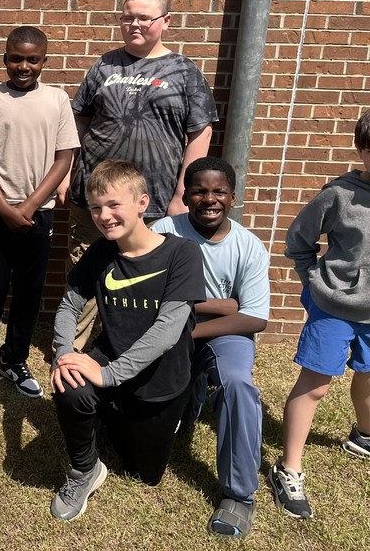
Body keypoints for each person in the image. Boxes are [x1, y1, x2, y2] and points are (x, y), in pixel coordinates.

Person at [49, 160, 204, 521]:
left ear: (142, 203)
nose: (104, 215)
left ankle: (169, 410)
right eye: (96, 207)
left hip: (161, 381)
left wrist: (110, 375)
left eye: (114, 205)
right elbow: (69, 305)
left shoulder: (182, 254)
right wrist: (64, 352)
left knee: (143, 474)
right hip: (113, 364)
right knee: (69, 384)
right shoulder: (102, 252)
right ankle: (85, 469)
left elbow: (168, 330)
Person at [66, 0, 217, 350]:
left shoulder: (184, 72)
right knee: (84, 268)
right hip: (94, 194)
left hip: (150, 199)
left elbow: (200, 131)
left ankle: (129, 346)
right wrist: (68, 172)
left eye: (144, 18)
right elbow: (79, 121)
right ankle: (73, 347)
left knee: (141, 275)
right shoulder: (104, 65)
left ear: (165, 22)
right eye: (127, 17)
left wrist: (183, 193)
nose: (134, 24)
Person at [152, 157, 269, 538]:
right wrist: (220, 302)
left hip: (224, 333)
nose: (209, 198)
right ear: (185, 196)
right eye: (199, 190)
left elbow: (252, 318)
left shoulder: (248, 246)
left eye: (219, 191)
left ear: (233, 198)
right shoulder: (164, 231)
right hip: (166, 326)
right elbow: (147, 293)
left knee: (236, 383)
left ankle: (239, 495)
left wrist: (189, 327)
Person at [0, 26, 78, 399]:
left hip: (38, 212)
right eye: (16, 58)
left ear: (45, 61)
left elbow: (64, 158)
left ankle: (13, 359)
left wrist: (28, 206)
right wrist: (3, 207)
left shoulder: (57, 100)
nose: (23, 66)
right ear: (5, 58)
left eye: (32, 59)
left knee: (29, 291)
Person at [271, 110, 370, 520]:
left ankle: (364, 435)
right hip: (334, 306)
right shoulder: (338, 196)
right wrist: (315, 283)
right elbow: (299, 240)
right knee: (316, 385)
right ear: (363, 150)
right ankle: (288, 467)